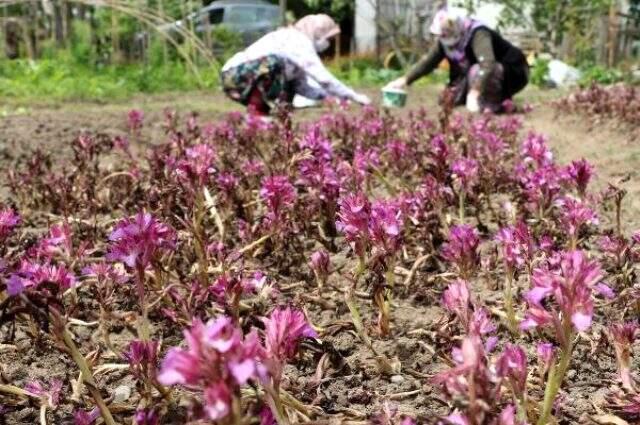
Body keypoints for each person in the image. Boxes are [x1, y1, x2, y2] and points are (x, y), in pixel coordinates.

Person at [221, 14, 371, 116]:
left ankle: (276, 117)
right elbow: (323, 77)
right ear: (318, 32)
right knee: (275, 64)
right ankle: (258, 113)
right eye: (327, 38)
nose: (327, 44)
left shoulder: (299, 48)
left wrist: (333, 98)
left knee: (290, 81)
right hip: (234, 76)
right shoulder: (296, 40)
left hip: (245, 79)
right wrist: (353, 95)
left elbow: (303, 87)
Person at [385, 7, 529, 113]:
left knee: (477, 71)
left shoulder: (479, 33)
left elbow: (488, 64)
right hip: (478, 74)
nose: (444, 38)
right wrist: (405, 80)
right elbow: (428, 62)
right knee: (447, 100)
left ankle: (495, 105)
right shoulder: (445, 40)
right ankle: (481, 100)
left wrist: (474, 93)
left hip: (513, 72)